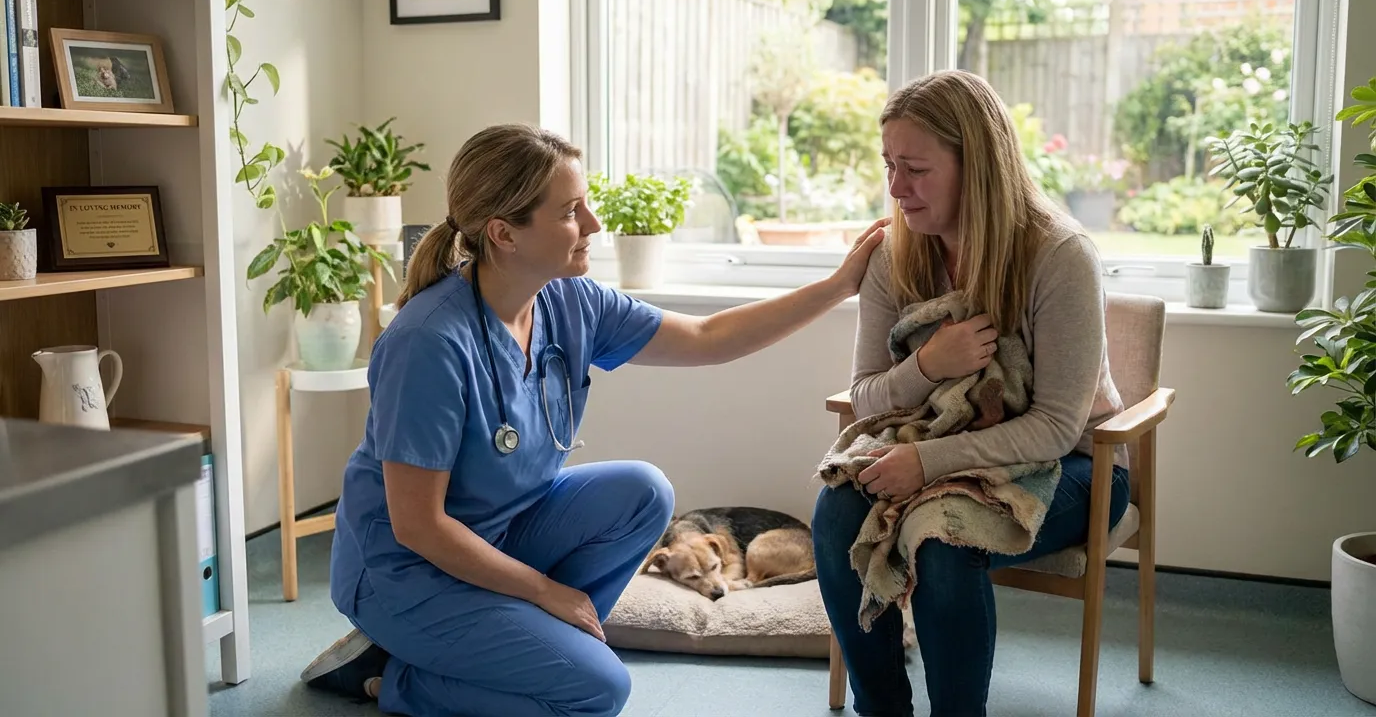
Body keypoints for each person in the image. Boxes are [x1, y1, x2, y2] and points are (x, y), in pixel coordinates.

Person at [297, 122, 888, 717]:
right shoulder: (428, 343)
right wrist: (545, 592)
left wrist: (838, 285)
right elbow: (419, 527)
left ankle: (530, 646)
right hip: (406, 571)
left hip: (501, 533)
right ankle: (391, 676)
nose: (595, 224)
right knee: (597, 690)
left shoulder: (567, 300)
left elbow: (708, 336)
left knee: (643, 492)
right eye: (570, 212)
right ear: (503, 233)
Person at [812, 69, 1133, 717]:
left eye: (916, 169)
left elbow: (1055, 427)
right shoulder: (892, 255)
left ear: (976, 166)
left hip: (1074, 467)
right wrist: (927, 365)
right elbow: (866, 396)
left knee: (943, 538)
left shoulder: (1060, 255)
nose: (896, 188)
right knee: (835, 514)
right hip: (928, 446)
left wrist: (927, 463)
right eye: (889, 165)